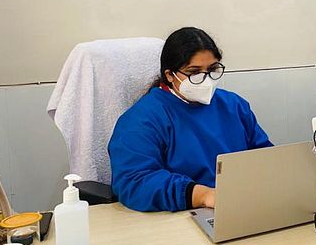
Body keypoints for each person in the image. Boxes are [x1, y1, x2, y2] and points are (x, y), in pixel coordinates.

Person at [109, 27, 272, 212]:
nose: (206, 79)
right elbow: (134, 181)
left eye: (212, 69)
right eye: (194, 73)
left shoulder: (233, 106)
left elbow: (264, 157)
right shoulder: (141, 120)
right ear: (170, 75)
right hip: (180, 214)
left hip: (240, 206)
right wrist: (201, 195)